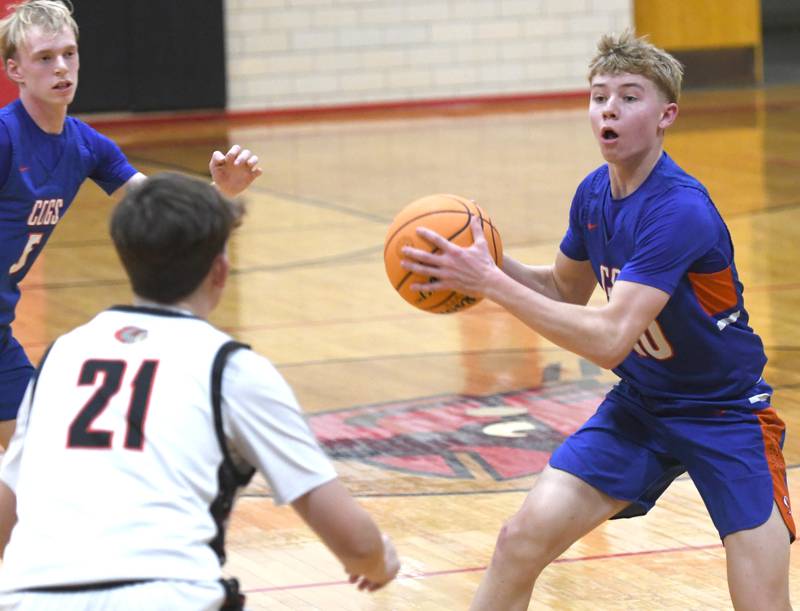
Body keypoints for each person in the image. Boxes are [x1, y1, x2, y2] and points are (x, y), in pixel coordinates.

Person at [401, 30, 794, 611]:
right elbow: (562, 288)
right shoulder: (592, 195)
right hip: (642, 405)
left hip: (726, 413)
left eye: (629, 97)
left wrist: (489, 283)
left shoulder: (679, 209)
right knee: (518, 542)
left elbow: (610, 336)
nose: (608, 108)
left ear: (667, 115)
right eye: (598, 96)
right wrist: (489, 258)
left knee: (760, 602)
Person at [0, 172, 400, 610]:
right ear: (220, 270)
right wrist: (380, 562)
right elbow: (356, 544)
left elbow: (7, 507)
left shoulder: (62, 355)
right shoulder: (232, 369)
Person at [0, 0, 262, 448]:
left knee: (38, 452)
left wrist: (221, 194)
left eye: (69, 53)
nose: (61, 67)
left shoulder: (86, 146)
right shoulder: (5, 138)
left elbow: (164, 213)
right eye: (45, 58)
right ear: (16, 70)